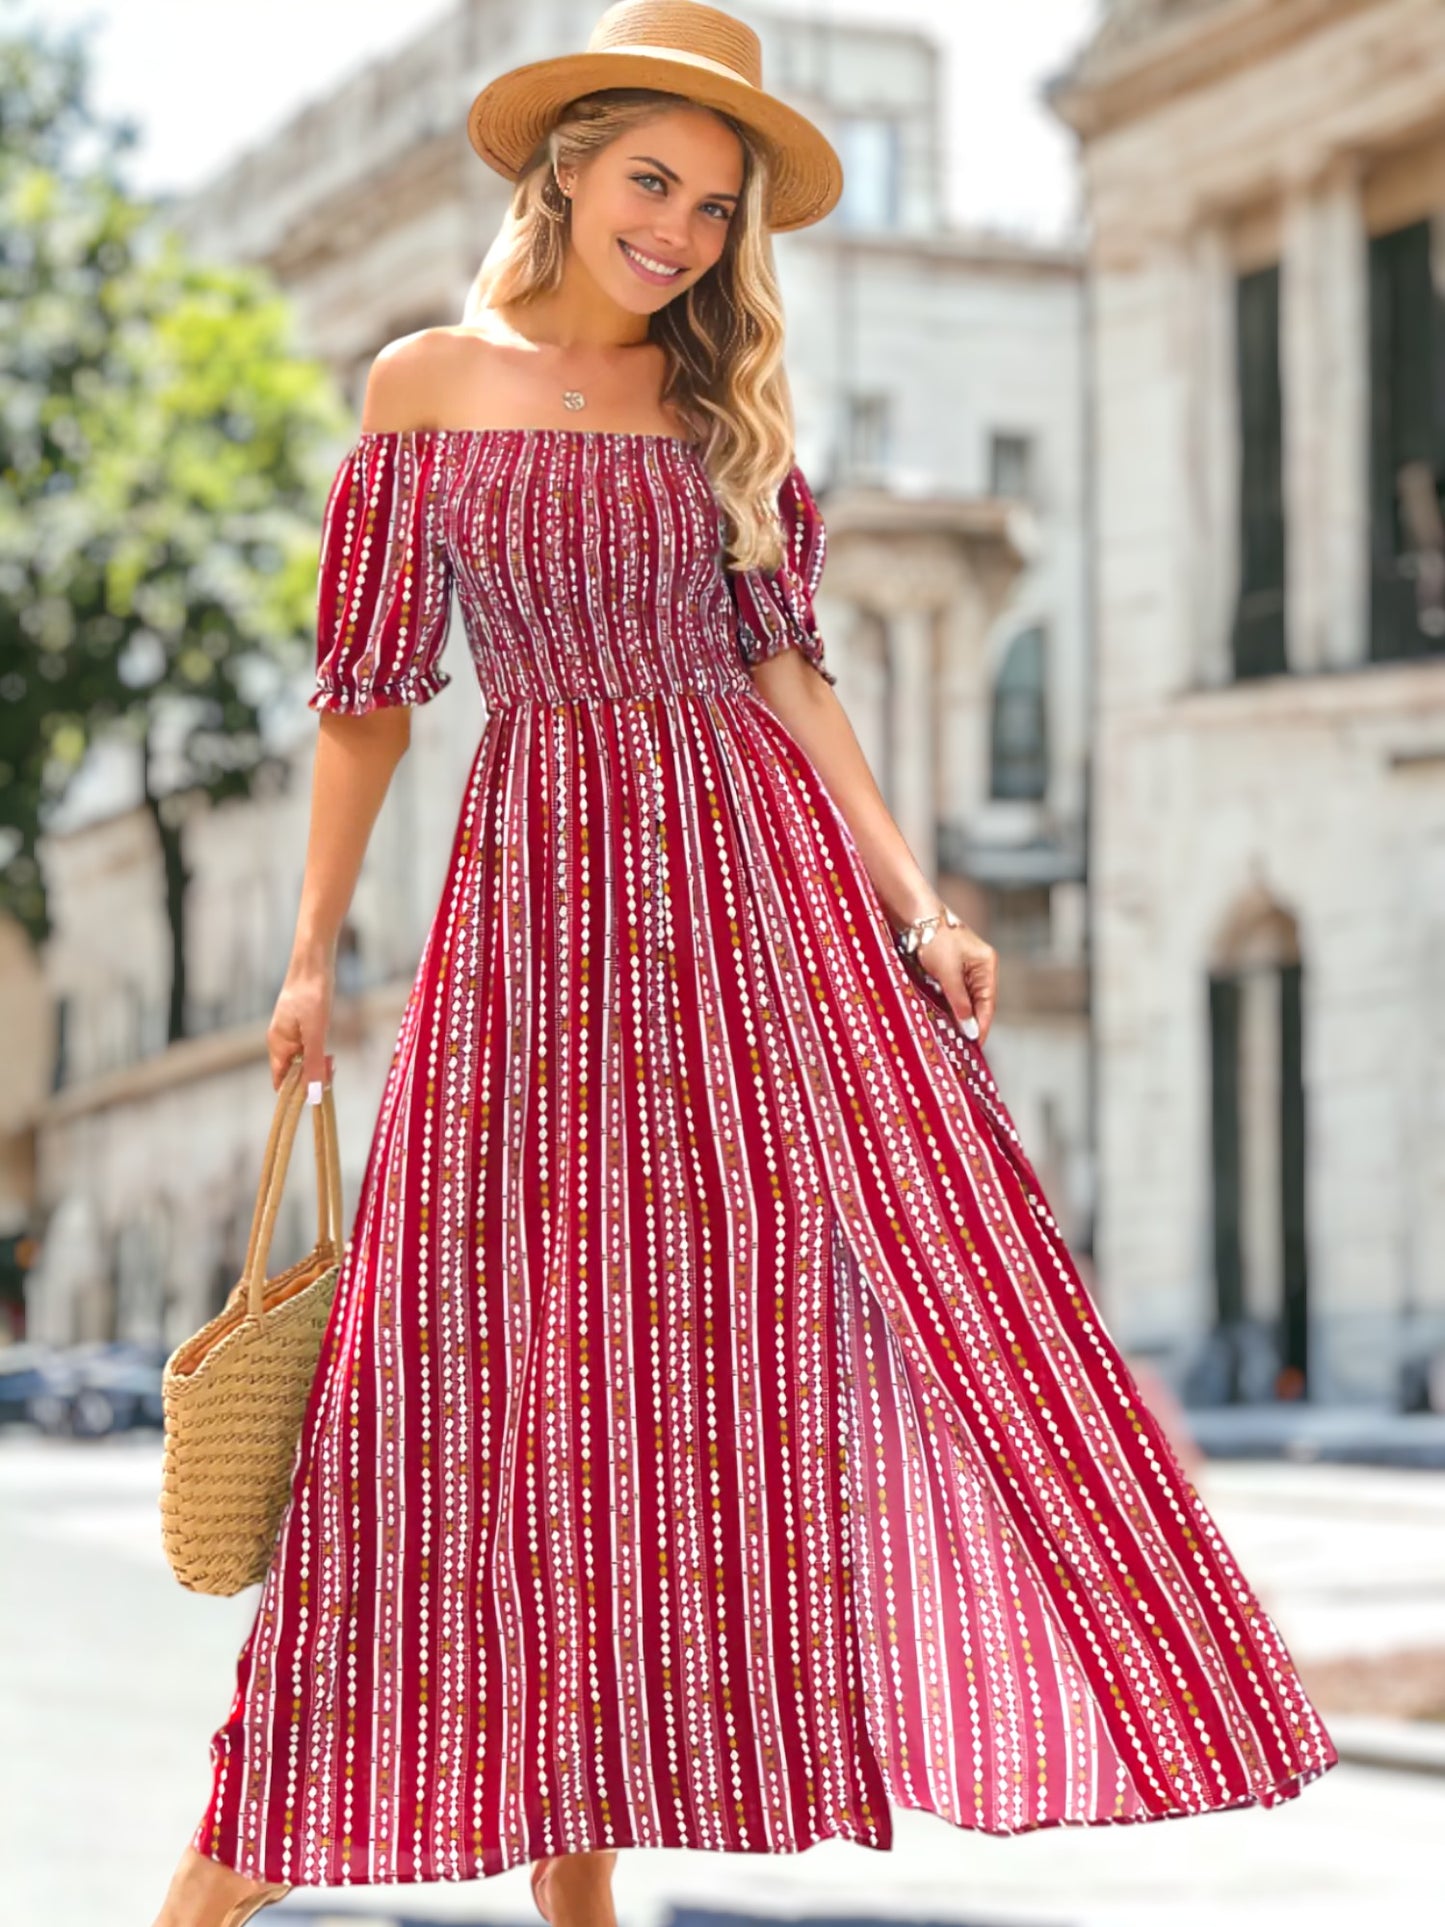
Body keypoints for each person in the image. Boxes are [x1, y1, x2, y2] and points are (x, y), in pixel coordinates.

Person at [151, 4, 1337, 1924]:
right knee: (446, 1379)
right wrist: (306, 955)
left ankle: (590, 1879)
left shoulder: (718, 418)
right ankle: (243, 1854)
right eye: (653, 185)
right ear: (562, 169)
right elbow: (366, 698)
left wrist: (918, 896)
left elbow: (791, 674)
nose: (684, 235)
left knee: (690, 1367)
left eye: (715, 209)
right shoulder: (422, 385)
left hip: (742, 902)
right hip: (532, 904)